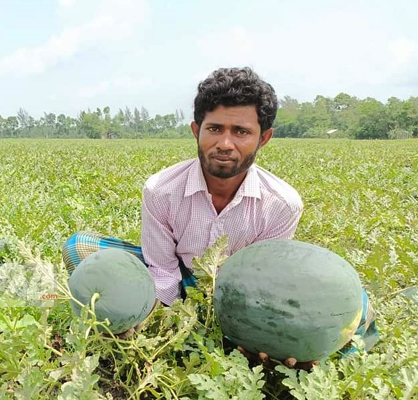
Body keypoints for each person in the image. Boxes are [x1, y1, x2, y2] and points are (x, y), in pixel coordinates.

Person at [62, 67, 377, 371]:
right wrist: (151, 313)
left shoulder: (282, 203)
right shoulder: (160, 190)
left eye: (241, 132)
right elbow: (161, 269)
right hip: (179, 279)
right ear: (197, 131)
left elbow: (269, 281)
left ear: (263, 138)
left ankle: (243, 340)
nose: (225, 144)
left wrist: (270, 331)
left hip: (241, 299)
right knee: (81, 247)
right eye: (215, 129)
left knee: (356, 308)